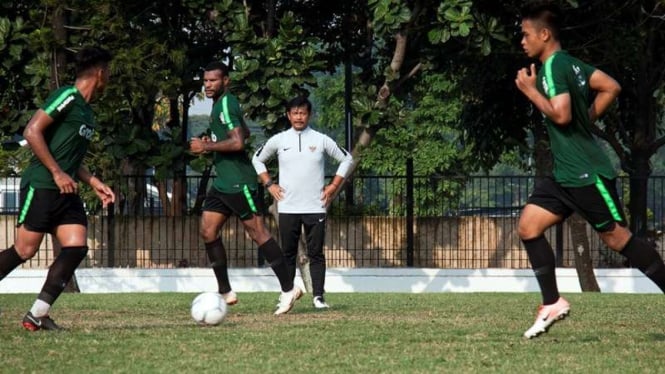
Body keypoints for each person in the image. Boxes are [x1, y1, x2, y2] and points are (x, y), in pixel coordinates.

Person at [515, 1, 665, 339]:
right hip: (565, 175)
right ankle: (551, 303)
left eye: (525, 35)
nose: (522, 42)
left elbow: (562, 114)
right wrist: (588, 120)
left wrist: (530, 92)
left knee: (617, 239)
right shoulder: (570, 63)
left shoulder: (553, 68)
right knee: (528, 226)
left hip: (586, 173)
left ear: (544, 34)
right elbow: (611, 85)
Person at [0, 47, 115, 331]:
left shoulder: (88, 112)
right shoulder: (68, 97)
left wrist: (94, 182)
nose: (110, 78)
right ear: (100, 73)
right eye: (109, 73)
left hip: (66, 189)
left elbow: (69, 158)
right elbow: (32, 131)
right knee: (25, 250)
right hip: (42, 185)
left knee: (76, 246)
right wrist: (55, 172)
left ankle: (37, 313)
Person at [189, 61, 302, 315]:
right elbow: (245, 134)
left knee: (258, 233)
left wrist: (206, 147)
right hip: (222, 183)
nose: (208, 85)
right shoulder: (221, 105)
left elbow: (239, 143)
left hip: (240, 183)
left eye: (213, 80)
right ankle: (225, 290)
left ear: (225, 81)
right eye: (205, 81)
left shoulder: (226, 103)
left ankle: (289, 288)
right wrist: (215, 140)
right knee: (208, 231)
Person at [252, 96, 353, 309]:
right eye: (295, 113)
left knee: (315, 253)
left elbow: (347, 159)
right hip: (288, 206)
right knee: (287, 253)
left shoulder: (321, 139)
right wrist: (269, 184)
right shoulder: (279, 140)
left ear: (309, 115)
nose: (299, 117)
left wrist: (333, 186)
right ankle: (287, 295)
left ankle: (318, 297)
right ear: (288, 115)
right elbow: (257, 159)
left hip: (315, 206)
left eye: (303, 113)